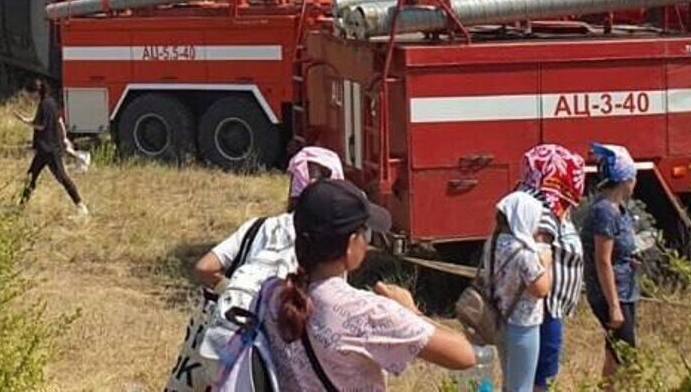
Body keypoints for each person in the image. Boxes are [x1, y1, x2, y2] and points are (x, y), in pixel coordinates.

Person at [260, 179, 477, 389]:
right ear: (351, 244)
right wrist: (411, 312)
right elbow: (464, 355)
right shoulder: (366, 312)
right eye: (366, 232)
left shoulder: (272, 294)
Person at [191, 147, 344, 381]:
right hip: (287, 355)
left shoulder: (258, 226)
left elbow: (205, 268)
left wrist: (241, 290)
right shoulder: (330, 244)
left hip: (231, 339)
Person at [519, 144, 586, 392]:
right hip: (540, 311)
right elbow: (536, 263)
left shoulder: (545, 206)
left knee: (535, 378)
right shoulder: (545, 211)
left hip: (546, 308)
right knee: (536, 381)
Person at [582, 143, 641, 389]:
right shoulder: (604, 211)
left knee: (613, 351)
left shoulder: (620, 210)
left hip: (625, 288)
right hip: (611, 294)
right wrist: (614, 307)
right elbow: (602, 260)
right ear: (625, 179)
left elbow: (617, 251)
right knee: (628, 356)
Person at [485, 191, 553, 392]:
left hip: (498, 319)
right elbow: (541, 289)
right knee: (521, 386)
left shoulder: (493, 243)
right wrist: (546, 263)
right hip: (523, 326)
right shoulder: (524, 254)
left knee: (509, 381)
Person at [14, 79, 87, 215]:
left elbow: (41, 125)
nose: (29, 98)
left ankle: (81, 206)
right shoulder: (52, 103)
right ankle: (21, 206)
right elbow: (59, 121)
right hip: (45, 148)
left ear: (36, 93)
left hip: (49, 148)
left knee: (62, 177)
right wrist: (64, 138)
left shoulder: (44, 105)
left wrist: (25, 121)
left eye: (29, 95)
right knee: (31, 176)